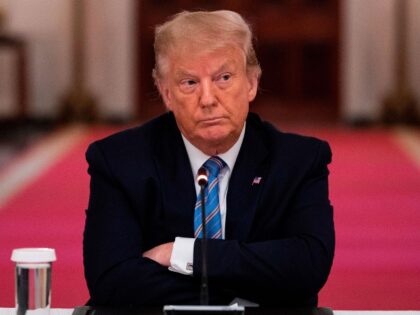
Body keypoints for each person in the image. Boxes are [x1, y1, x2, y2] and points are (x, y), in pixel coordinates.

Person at [83, 10, 334, 307]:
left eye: (223, 78)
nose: (208, 99)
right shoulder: (120, 161)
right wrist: (252, 290)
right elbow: (111, 282)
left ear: (251, 83)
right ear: (166, 94)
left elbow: (306, 267)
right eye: (189, 83)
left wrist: (183, 254)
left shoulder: (299, 161)